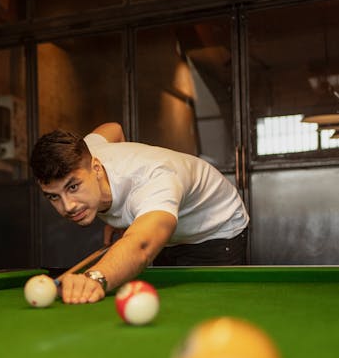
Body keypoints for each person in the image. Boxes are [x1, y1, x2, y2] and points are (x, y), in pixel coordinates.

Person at [30, 122, 249, 304]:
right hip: (167, 231)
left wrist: (94, 278)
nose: (68, 206)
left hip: (216, 228)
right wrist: (131, 213)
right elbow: (112, 128)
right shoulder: (85, 151)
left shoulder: (153, 180)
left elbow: (142, 245)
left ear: (96, 168)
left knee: (209, 309)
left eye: (73, 187)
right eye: (53, 196)